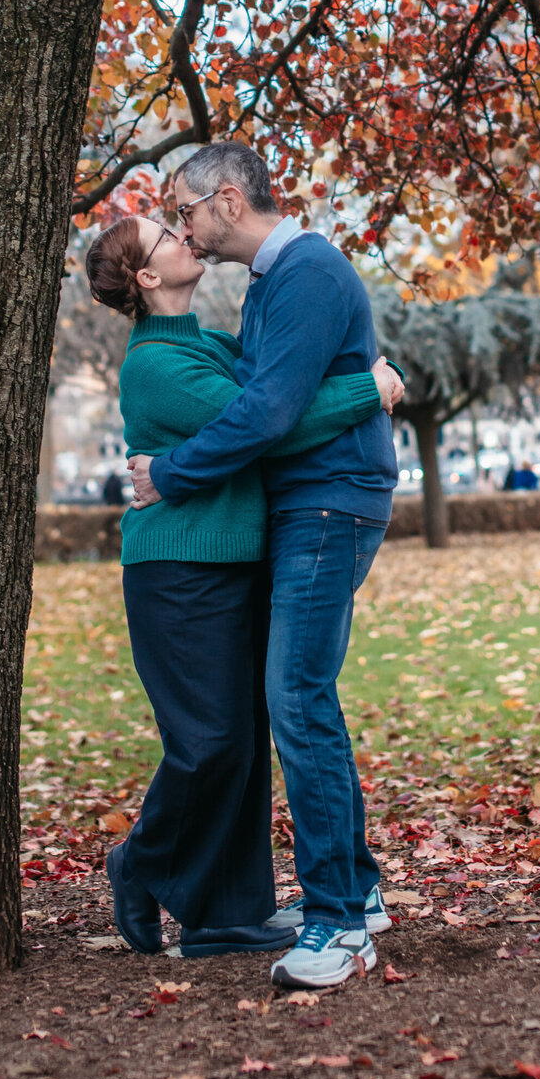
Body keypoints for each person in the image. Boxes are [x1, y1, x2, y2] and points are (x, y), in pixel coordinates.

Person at [86, 209, 402, 962]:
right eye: (167, 236)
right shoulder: (155, 367)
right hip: (178, 572)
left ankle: (225, 915)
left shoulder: (203, 344)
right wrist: (370, 388)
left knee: (239, 741)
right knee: (209, 743)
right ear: (147, 277)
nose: (183, 236)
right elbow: (267, 427)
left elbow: (273, 401)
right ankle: (141, 862)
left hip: (229, 563)